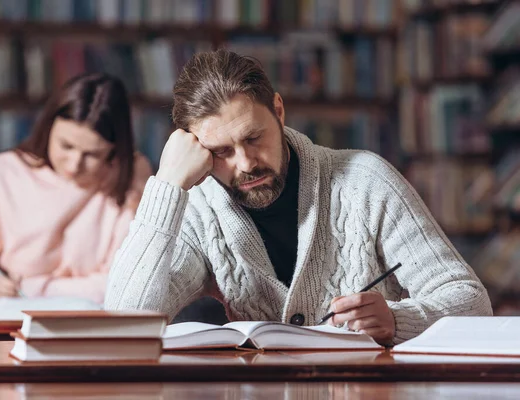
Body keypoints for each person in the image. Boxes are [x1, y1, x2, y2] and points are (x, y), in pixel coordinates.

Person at [104, 50, 492, 346]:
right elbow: (123, 327)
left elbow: (472, 303)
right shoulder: (199, 208)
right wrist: (167, 184)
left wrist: (397, 319)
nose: (245, 163)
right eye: (221, 151)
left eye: (253, 138)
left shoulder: (366, 180)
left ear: (278, 110)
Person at [0, 73, 152, 310]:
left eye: (92, 154)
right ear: (48, 128)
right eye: (65, 146)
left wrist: (29, 287)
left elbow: (125, 285)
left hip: (93, 332)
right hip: (6, 329)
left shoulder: (128, 184)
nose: (74, 164)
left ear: (114, 151)